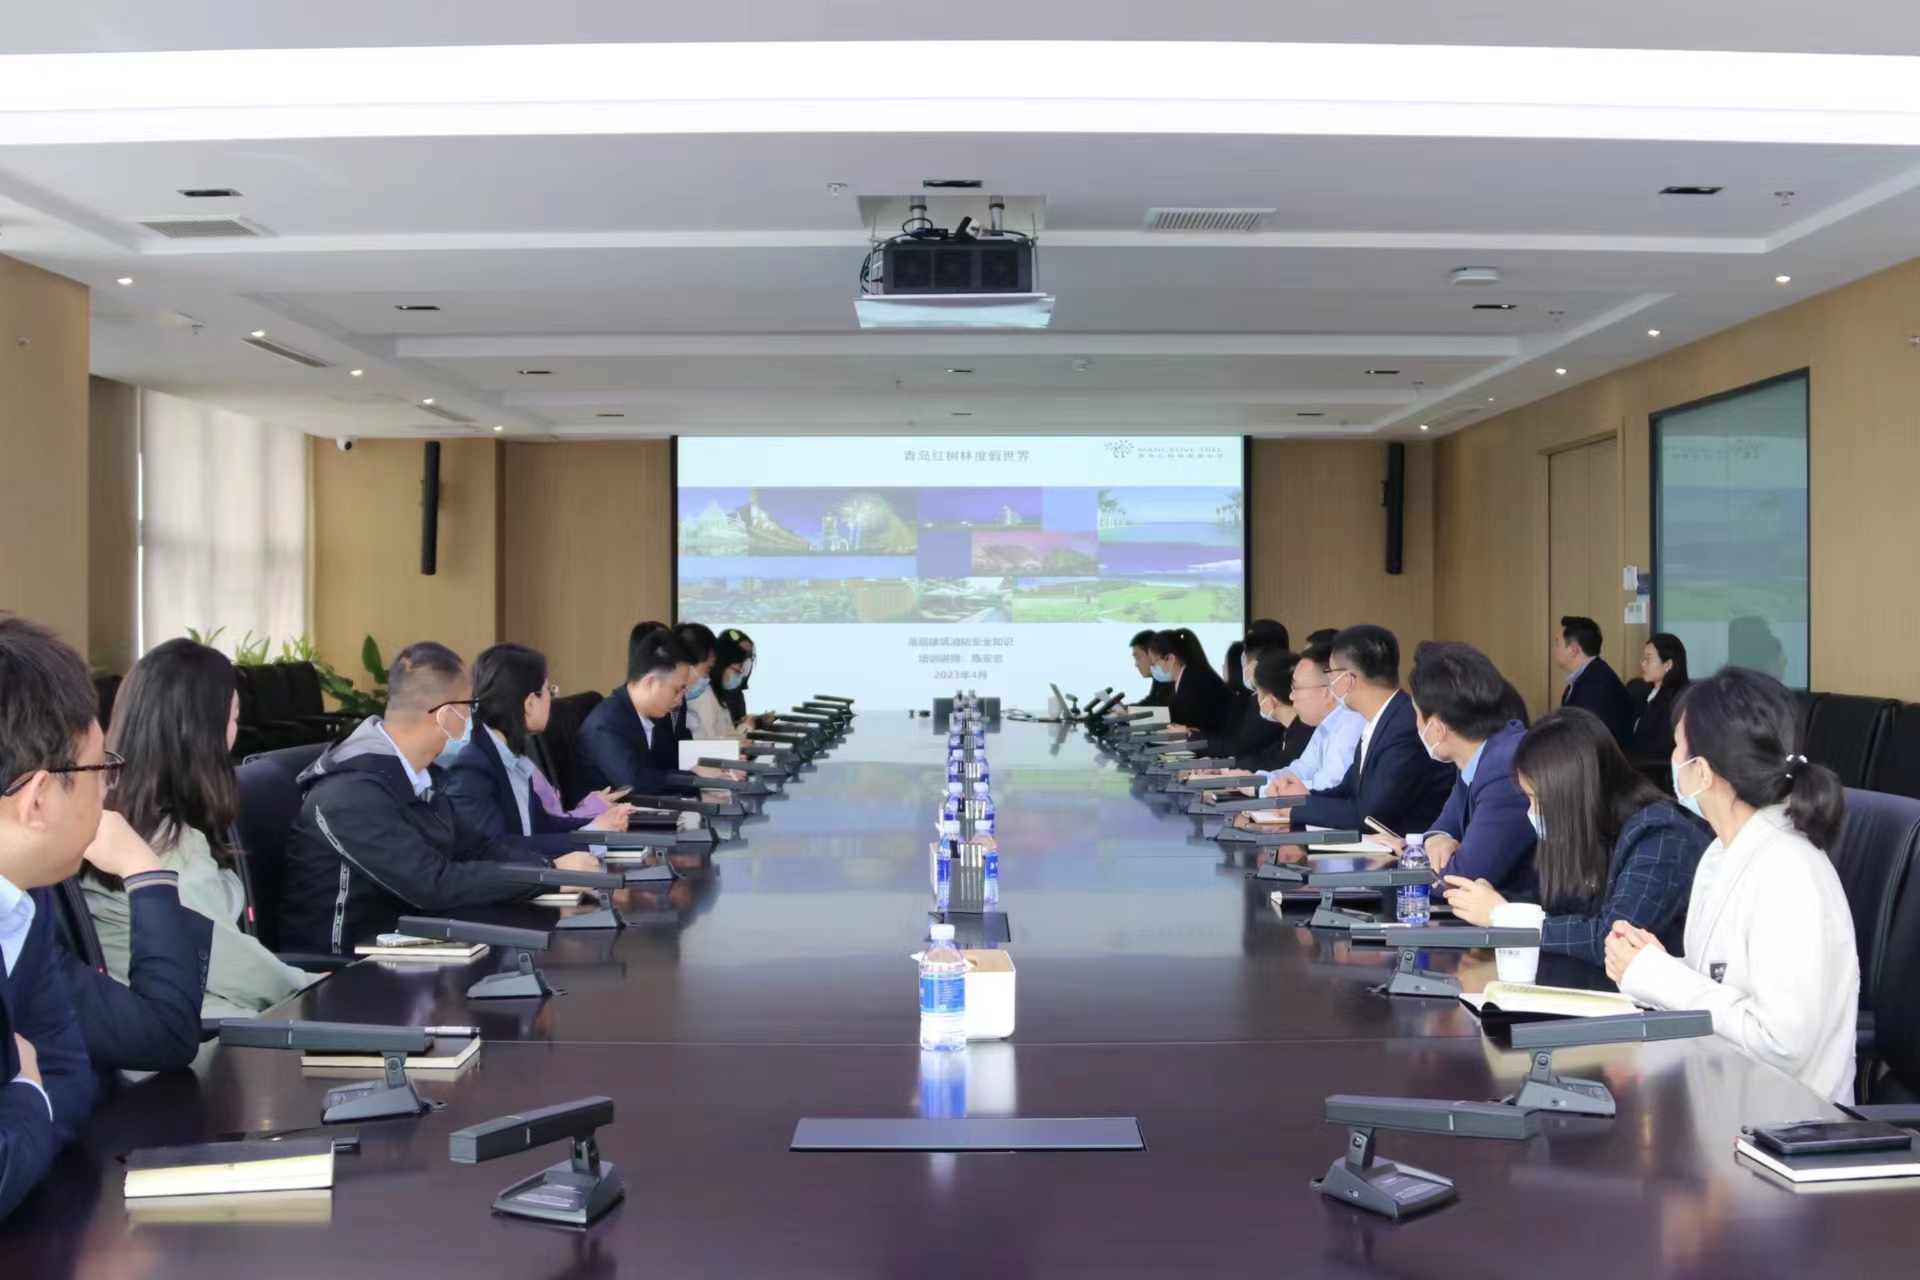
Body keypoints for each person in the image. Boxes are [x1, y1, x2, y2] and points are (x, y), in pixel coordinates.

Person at [1608, 667, 1858, 1102]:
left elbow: (1780, 1045)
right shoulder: (1723, 852)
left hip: (1788, 1124)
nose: (1672, 758)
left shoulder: (1787, 872)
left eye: (1677, 746)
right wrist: (1655, 965)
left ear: (1701, 771)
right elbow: (1724, 986)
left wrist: (1660, 977)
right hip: (1723, 1097)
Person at [281, 642, 600, 954]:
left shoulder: (420, 775)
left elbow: (478, 847)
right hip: (348, 967)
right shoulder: (349, 795)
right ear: (446, 715)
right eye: (469, 708)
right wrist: (546, 876)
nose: (473, 720)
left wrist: (550, 870)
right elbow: (432, 883)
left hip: (417, 940)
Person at [83, 638, 315, 1025]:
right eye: (233, 718)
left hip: (156, 1019)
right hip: (198, 1033)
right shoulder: (166, 842)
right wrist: (319, 989)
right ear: (204, 731)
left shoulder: (111, 814)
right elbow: (233, 965)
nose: (235, 732)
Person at [1442, 708, 1707, 966]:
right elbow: (1562, 906)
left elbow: (1612, 939)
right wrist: (1497, 903)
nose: (1531, 812)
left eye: (1537, 799)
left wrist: (1505, 917)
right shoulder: (1593, 828)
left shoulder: (1660, 836)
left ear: (1571, 794)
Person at [0, 616, 102, 1218]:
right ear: (38, 799)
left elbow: (67, 1073)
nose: (107, 793)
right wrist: (26, 1090)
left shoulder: (25, 895)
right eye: (99, 771)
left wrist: (21, 1102)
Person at [444, 644, 633, 858]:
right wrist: (591, 835)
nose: (551, 699)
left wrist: (599, 826)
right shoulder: (474, 768)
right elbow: (497, 848)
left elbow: (541, 825)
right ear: (530, 704)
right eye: (548, 691)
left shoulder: (509, 755)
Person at [1401, 642, 1538, 897]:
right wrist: (1435, 838)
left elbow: (1460, 880)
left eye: (1417, 716)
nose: (1416, 725)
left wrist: (1410, 865)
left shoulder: (1505, 769)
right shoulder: (1478, 753)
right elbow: (1445, 824)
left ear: (1438, 729)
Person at [1291, 625, 1455, 836]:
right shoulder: (1381, 718)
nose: (1329, 683)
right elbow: (1348, 790)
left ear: (1348, 680)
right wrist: (1299, 798)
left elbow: (1370, 816)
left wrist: (1297, 808)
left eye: (1330, 674)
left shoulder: (1405, 726)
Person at [578, 627, 699, 797]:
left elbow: (664, 768)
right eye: (677, 690)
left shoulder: (655, 717)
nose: (679, 699)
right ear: (650, 682)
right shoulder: (606, 724)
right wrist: (695, 779)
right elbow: (635, 783)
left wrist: (699, 776)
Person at [1260, 643, 1363, 795]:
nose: (1291, 696)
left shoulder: (1352, 723)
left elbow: (1328, 787)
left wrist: (1262, 788)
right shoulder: (1325, 724)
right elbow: (1300, 770)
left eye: (1295, 687)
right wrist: (1255, 781)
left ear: (1326, 692)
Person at [1553, 615, 1634, 746]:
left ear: (1574, 649)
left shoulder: (1596, 685)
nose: (1554, 649)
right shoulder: (1591, 674)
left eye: (1557, 643)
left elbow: (1585, 739)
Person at [1148, 628, 1232, 737]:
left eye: (1153, 662)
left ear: (1170, 659)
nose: (1152, 667)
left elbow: (1191, 723)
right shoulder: (1184, 678)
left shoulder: (1195, 682)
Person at [1631, 633, 1690, 765]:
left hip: (1656, 771)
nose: (1643, 664)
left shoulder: (1676, 702)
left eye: (1649, 659)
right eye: (1643, 659)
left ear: (1668, 664)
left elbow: (1662, 749)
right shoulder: (1643, 694)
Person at [686, 627, 749, 739]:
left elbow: (726, 734)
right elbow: (711, 741)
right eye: (738, 670)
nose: (739, 676)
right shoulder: (704, 694)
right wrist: (745, 728)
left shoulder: (718, 693)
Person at [671, 623, 717, 740]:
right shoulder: (661, 704)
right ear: (687, 664)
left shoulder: (681, 704)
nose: (707, 678)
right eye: (707, 670)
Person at [1128, 630, 1169, 708]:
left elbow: (1163, 711)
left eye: (1137, 657)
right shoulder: (1159, 677)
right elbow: (1151, 702)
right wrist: (1126, 708)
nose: (1136, 664)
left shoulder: (1170, 678)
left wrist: (1129, 711)